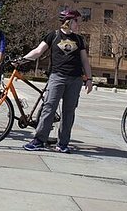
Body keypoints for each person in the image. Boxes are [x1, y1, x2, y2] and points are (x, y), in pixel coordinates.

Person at [22, 9, 93, 153]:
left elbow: (84, 60)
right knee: (49, 108)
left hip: (75, 79)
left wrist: (89, 79)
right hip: (57, 77)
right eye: (77, 21)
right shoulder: (53, 36)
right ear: (70, 21)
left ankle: (63, 143)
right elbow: (38, 51)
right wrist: (22, 60)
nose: (79, 24)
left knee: (69, 112)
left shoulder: (79, 40)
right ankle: (39, 140)